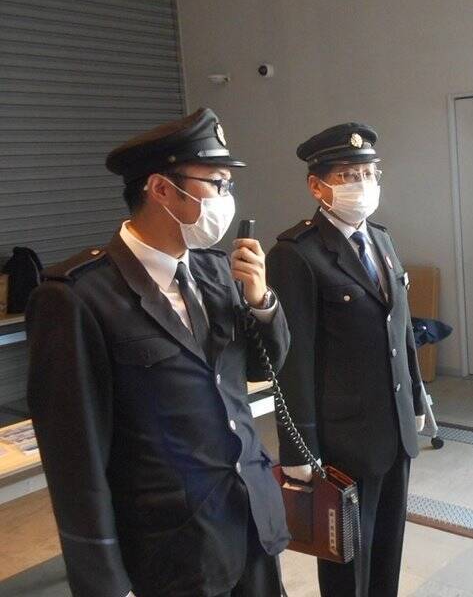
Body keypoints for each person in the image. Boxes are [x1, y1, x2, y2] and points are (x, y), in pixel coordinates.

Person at [26, 108, 291, 597]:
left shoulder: (217, 271)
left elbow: (261, 367)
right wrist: (104, 582)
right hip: (170, 550)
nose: (226, 199)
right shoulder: (78, 296)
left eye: (229, 185)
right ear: (162, 189)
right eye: (216, 183)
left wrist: (261, 302)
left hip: (252, 520)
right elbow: (74, 460)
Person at [266, 122, 426, 597]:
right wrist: (299, 449)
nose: (364, 184)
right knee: (347, 562)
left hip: (394, 431)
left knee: (388, 552)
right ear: (317, 187)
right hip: (343, 440)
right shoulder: (297, 254)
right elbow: (292, 360)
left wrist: (416, 399)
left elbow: (402, 330)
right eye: (349, 175)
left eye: (370, 173)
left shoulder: (382, 239)